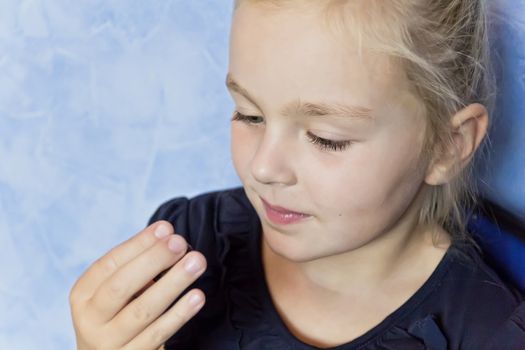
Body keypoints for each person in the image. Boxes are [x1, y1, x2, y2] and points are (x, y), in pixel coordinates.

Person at [69, 0, 525, 349]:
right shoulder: (187, 249)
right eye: (248, 115)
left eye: (327, 138)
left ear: (447, 146)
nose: (264, 168)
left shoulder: (486, 333)